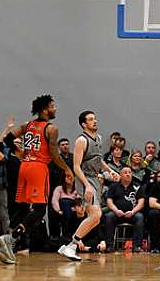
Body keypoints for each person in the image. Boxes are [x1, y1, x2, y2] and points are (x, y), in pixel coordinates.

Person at [0, 95, 73, 265]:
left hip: (24, 166)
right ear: (45, 109)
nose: (55, 109)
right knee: (39, 210)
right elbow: (53, 154)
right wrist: (66, 168)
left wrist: (21, 152)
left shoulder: (27, 125)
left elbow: (8, 140)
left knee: (23, 208)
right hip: (38, 168)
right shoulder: (51, 128)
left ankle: (14, 243)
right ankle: (11, 238)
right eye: (52, 106)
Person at [57, 110, 118, 261]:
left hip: (94, 179)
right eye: (91, 119)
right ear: (84, 124)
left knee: (96, 218)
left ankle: (68, 246)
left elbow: (98, 160)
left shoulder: (99, 138)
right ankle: (72, 245)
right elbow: (76, 167)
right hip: (85, 179)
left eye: (95, 119)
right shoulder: (81, 141)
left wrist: (111, 171)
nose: (95, 121)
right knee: (96, 214)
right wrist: (87, 185)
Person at [104, 166, 144, 252]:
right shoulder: (113, 186)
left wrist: (133, 211)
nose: (128, 174)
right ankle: (109, 245)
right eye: (125, 172)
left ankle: (136, 246)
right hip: (117, 213)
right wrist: (116, 210)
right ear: (120, 175)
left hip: (132, 213)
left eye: (129, 172)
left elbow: (141, 202)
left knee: (140, 217)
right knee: (109, 216)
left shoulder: (137, 186)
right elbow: (109, 201)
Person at [50, 173, 78, 239]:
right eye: (68, 176)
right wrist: (58, 210)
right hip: (61, 210)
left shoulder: (77, 189)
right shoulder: (59, 188)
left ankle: (67, 233)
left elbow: (79, 201)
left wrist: (75, 208)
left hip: (72, 209)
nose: (70, 178)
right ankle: (64, 234)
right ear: (64, 178)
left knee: (67, 202)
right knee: (64, 202)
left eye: (71, 177)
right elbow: (54, 200)